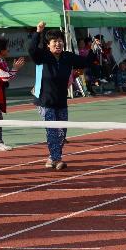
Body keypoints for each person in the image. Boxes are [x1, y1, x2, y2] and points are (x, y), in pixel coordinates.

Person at [29, 21, 93, 170]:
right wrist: (38, 32)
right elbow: (32, 49)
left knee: (62, 133)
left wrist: (94, 48)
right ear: (48, 45)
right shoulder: (42, 56)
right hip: (45, 100)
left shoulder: (67, 57)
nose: (58, 44)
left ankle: (51, 158)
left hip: (61, 101)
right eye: (54, 42)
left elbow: (85, 62)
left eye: (60, 41)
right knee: (52, 131)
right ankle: (57, 159)